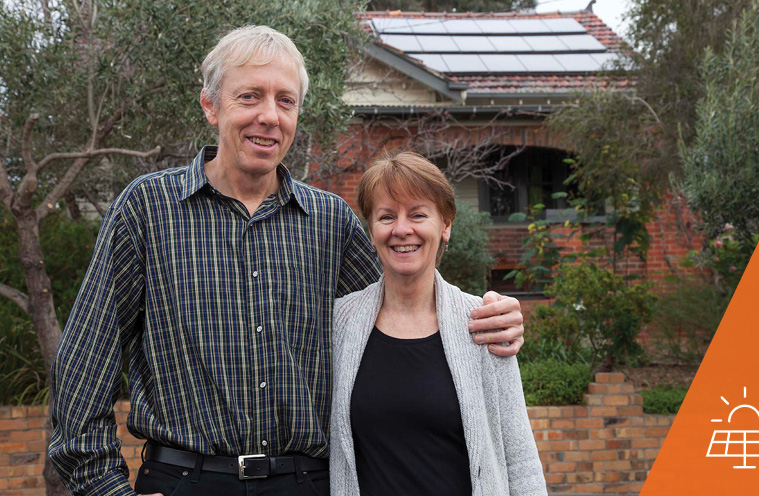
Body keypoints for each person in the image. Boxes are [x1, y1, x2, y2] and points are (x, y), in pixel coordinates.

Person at [48, 26, 526, 496]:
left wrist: (482, 317)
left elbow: (402, 312)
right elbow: (84, 367)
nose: (269, 116)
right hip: (185, 481)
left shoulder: (330, 222)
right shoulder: (147, 210)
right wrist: (107, 489)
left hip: (305, 483)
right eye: (250, 96)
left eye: (285, 100)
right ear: (210, 105)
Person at [330, 151, 548, 496]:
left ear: (445, 225)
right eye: (386, 217)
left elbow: (519, 458)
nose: (402, 230)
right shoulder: (339, 324)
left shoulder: (484, 322)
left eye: (418, 214)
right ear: (371, 230)